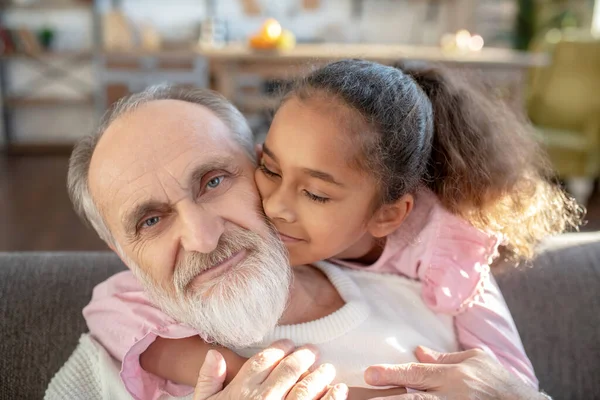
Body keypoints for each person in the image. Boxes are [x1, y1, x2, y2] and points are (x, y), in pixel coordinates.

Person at [51, 72, 562, 398]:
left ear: (247, 161)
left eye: (213, 181)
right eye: (151, 220)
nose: (203, 237)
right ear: (125, 255)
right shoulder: (114, 348)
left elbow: (516, 382)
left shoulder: (441, 277)